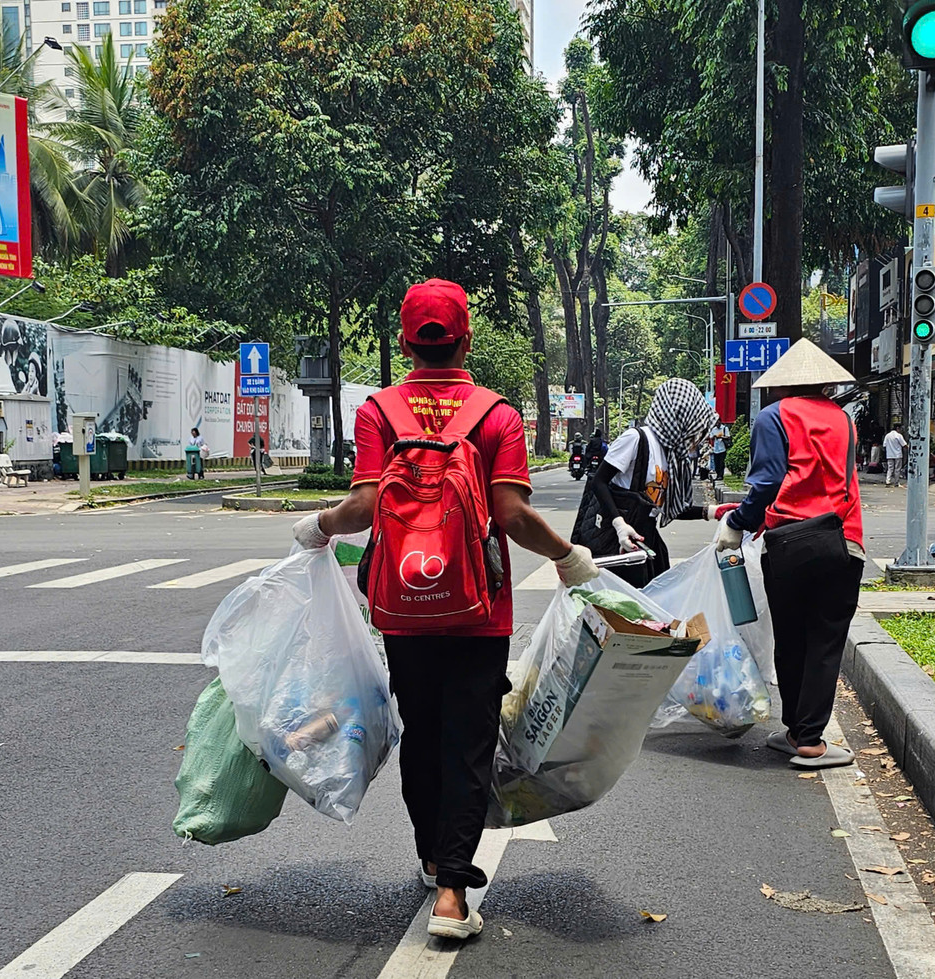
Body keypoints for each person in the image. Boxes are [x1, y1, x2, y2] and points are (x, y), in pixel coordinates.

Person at [291, 279, 599, 941]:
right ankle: (453, 893)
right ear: (467, 340)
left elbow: (364, 507)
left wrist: (318, 526)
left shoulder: (379, 411)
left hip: (404, 605)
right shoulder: (497, 415)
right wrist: (569, 557)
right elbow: (512, 515)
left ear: (406, 343)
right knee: (468, 743)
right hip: (479, 607)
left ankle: (434, 857)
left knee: (424, 734)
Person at [716, 339, 864, 770]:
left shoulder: (773, 416)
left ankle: (799, 733)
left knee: (792, 637)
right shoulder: (843, 420)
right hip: (842, 540)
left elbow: (767, 482)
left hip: (788, 542)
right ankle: (809, 738)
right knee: (825, 641)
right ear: (824, 383)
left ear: (782, 384)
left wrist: (737, 522)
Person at [574, 378, 728, 587]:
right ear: (679, 418)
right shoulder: (636, 439)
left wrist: (713, 512)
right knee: (622, 604)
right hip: (617, 541)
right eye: (696, 426)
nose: (698, 435)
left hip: (645, 538)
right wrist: (620, 525)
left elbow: (664, 507)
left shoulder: (672, 455)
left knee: (656, 598)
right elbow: (599, 482)